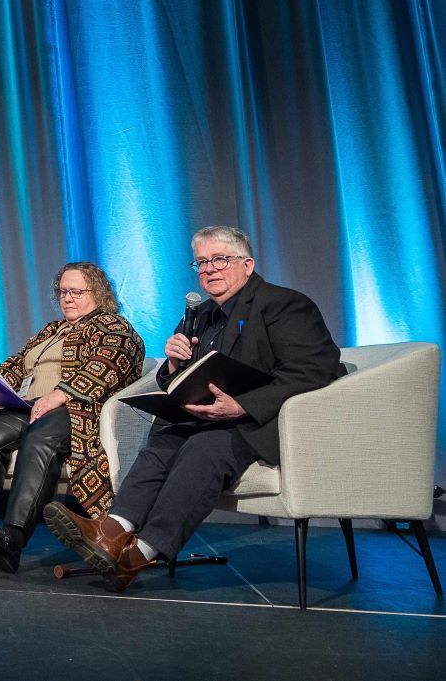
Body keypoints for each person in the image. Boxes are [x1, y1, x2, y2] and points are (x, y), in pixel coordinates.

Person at [45, 226, 343, 591]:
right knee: (165, 439)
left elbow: (317, 369)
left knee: (204, 449)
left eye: (220, 259)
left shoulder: (283, 304)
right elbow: (182, 379)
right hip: (201, 419)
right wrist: (172, 366)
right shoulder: (199, 315)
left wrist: (241, 406)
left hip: (258, 422)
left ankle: (137, 554)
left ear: (247, 264)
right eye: (201, 262)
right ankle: (111, 531)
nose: (210, 269)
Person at [0, 262, 144, 573]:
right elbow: (18, 363)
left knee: (40, 437)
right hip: (33, 407)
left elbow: (109, 364)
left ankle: (12, 538)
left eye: (77, 291)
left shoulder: (113, 326)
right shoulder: (52, 330)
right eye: (63, 292)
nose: (68, 298)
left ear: (99, 293)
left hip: (77, 411)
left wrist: (60, 395)